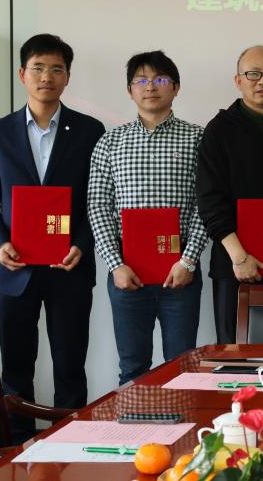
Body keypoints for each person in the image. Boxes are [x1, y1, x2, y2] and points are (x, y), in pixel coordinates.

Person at [0, 34, 104, 441]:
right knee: (15, 372)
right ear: (22, 74)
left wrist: (81, 244)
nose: (47, 77)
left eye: (57, 69)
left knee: (70, 369)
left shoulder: (89, 130)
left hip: (69, 269)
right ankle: (17, 453)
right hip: (14, 271)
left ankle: (69, 448)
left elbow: (97, 199)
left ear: (67, 77)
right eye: (39, 68)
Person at [87, 50, 209, 384]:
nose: (150, 87)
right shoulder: (110, 142)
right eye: (141, 80)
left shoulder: (198, 138)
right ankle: (135, 421)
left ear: (176, 87)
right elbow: (98, 205)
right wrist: (115, 265)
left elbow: (206, 204)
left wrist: (188, 261)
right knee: (132, 368)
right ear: (130, 90)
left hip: (180, 272)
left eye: (160, 79)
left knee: (182, 367)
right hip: (127, 273)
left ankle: (182, 422)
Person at [196, 45, 263, 343]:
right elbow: (209, 200)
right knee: (235, 353)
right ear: (238, 81)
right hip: (234, 266)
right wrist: (239, 257)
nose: (262, 81)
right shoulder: (218, 130)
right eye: (253, 74)